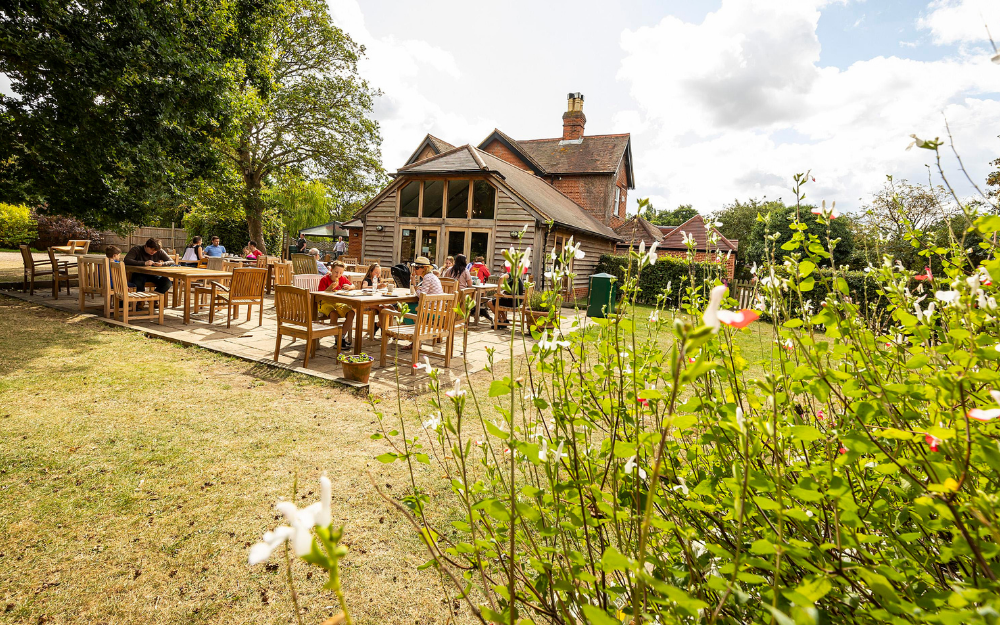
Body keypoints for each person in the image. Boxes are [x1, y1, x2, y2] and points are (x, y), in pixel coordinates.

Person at [317, 261, 356, 349]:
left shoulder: (342, 278)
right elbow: (319, 295)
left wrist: (350, 287)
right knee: (333, 314)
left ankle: (341, 337)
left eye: (341, 273)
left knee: (351, 313)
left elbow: (353, 285)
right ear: (331, 270)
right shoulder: (324, 279)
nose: (338, 274)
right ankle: (336, 338)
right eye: (336, 272)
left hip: (338, 302)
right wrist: (330, 288)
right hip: (324, 303)